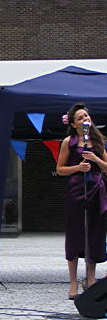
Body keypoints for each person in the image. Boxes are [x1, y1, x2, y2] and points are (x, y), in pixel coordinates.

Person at [56, 102, 107, 300]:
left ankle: (91, 279)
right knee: (75, 233)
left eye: (86, 116)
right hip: (76, 189)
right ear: (74, 124)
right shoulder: (68, 141)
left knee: (94, 232)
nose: (85, 119)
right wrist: (78, 167)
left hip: (96, 188)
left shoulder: (98, 141)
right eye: (80, 118)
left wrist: (95, 159)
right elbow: (60, 169)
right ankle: (73, 282)